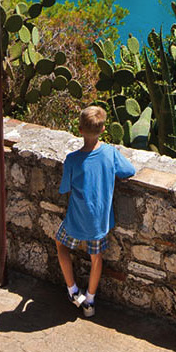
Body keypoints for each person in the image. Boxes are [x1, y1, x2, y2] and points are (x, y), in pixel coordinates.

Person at [54, 105, 135, 318]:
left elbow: (65, 188)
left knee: (61, 245)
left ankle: (73, 291)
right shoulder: (110, 153)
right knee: (96, 258)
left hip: (76, 220)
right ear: (103, 129)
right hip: (99, 222)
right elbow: (129, 170)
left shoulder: (72, 159)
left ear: (80, 130)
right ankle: (89, 301)